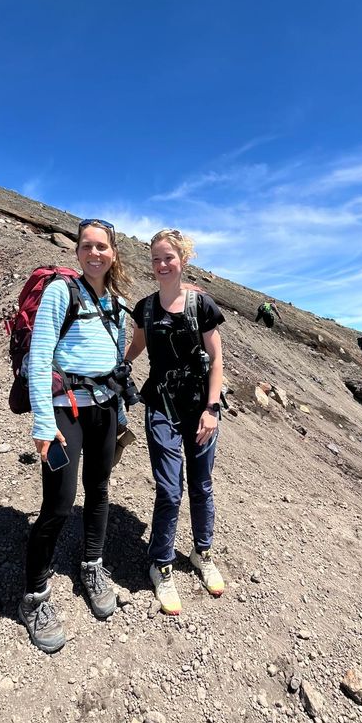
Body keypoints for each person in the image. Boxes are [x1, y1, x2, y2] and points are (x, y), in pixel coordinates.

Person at [19, 218, 130, 653]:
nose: (94, 253)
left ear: (113, 253)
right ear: (78, 252)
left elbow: (119, 364)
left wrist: (119, 412)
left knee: (99, 490)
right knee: (59, 503)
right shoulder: (60, 293)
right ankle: (35, 596)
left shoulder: (118, 304)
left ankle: (92, 564)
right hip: (65, 411)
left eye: (102, 246)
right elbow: (39, 356)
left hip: (103, 411)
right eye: (87, 245)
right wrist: (43, 424)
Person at [125, 229, 225, 615]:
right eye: (156, 259)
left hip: (201, 408)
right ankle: (161, 565)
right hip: (162, 407)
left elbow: (216, 359)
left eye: (169, 257)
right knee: (170, 490)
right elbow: (135, 348)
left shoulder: (201, 305)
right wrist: (111, 367)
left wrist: (212, 410)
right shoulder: (145, 309)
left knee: (201, 484)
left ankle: (203, 553)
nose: (162, 265)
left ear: (182, 260)